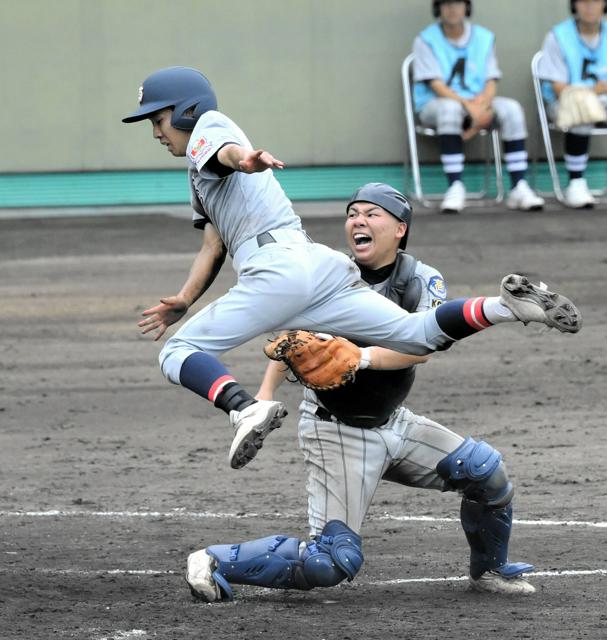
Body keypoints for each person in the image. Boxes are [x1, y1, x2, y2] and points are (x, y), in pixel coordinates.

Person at [122, 66, 580, 473]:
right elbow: (212, 244)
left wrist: (244, 159)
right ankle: (505, 307)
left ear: (186, 112)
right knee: (415, 334)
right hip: (319, 266)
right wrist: (184, 299)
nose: (156, 131)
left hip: (276, 269)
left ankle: (244, 408)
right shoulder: (197, 174)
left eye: (159, 119)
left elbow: (227, 151)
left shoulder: (208, 126)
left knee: (177, 354)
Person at [185, 184, 536, 602]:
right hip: (336, 431)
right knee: (330, 561)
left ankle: (490, 571)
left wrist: (359, 357)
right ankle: (215, 560)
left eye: (372, 213)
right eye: (353, 213)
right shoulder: (326, 275)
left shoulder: (421, 278)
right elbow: (291, 345)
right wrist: (263, 396)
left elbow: (420, 350)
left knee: (485, 474)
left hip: (395, 422)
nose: (358, 221)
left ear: (400, 229)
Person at [412, 0, 545, 213]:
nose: (452, 9)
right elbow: (435, 84)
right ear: (438, 8)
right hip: (435, 106)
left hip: (478, 102)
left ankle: (519, 186)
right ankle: (455, 186)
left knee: (511, 109)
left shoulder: (484, 37)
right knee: (449, 109)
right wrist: (469, 107)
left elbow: (491, 80)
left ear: (467, 6)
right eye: (446, 4)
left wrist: (483, 106)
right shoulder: (426, 39)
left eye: (457, 3)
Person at [538, 0, 607, 209]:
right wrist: (592, 91)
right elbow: (559, 87)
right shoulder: (558, 36)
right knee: (581, 107)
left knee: (588, 103)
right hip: (563, 103)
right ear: (574, 5)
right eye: (583, 1)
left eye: (595, 1)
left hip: (602, 100)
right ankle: (576, 182)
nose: (589, 7)